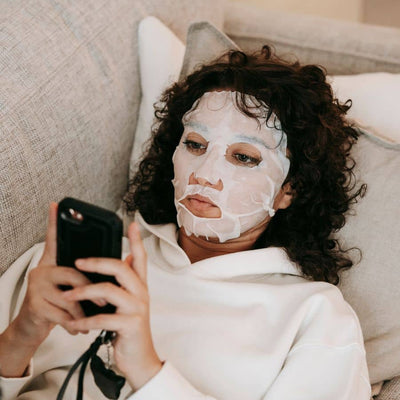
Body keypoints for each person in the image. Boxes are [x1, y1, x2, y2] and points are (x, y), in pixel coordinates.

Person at [0, 46, 371, 399]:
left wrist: (148, 371)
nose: (205, 175)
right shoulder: (78, 259)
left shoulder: (314, 315)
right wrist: (22, 334)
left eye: (243, 157)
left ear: (289, 189)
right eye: (195, 144)